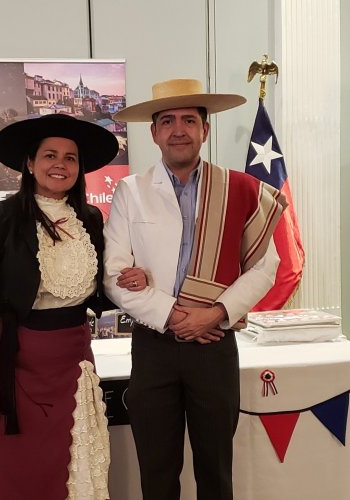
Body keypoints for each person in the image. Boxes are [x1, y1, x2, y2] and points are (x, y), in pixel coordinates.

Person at [103, 78, 287, 500]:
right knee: (157, 470)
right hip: (154, 346)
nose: (178, 130)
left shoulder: (239, 189)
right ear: (154, 133)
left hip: (213, 344)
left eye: (189, 120)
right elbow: (114, 275)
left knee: (216, 468)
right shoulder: (131, 191)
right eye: (167, 121)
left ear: (205, 129)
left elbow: (266, 267)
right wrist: (173, 315)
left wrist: (215, 314)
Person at [0, 113, 122, 500]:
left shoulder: (90, 218)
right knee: (23, 468)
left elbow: (102, 284)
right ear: (30, 164)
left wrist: (131, 279)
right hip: (16, 363)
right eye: (50, 155)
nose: (60, 165)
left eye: (70, 158)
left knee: (73, 459)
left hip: (74, 358)